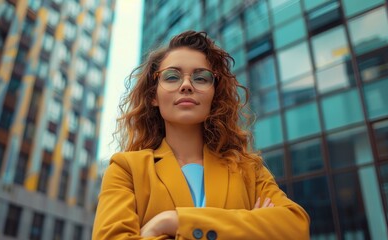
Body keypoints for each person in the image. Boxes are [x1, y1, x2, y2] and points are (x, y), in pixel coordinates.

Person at [92, 31, 310, 240]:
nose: (186, 85)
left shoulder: (247, 170)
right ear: (153, 96)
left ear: (214, 95)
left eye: (201, 78)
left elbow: (295, 228)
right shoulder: (126, 170)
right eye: (171, 77)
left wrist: (173, 221)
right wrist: (249, 228)